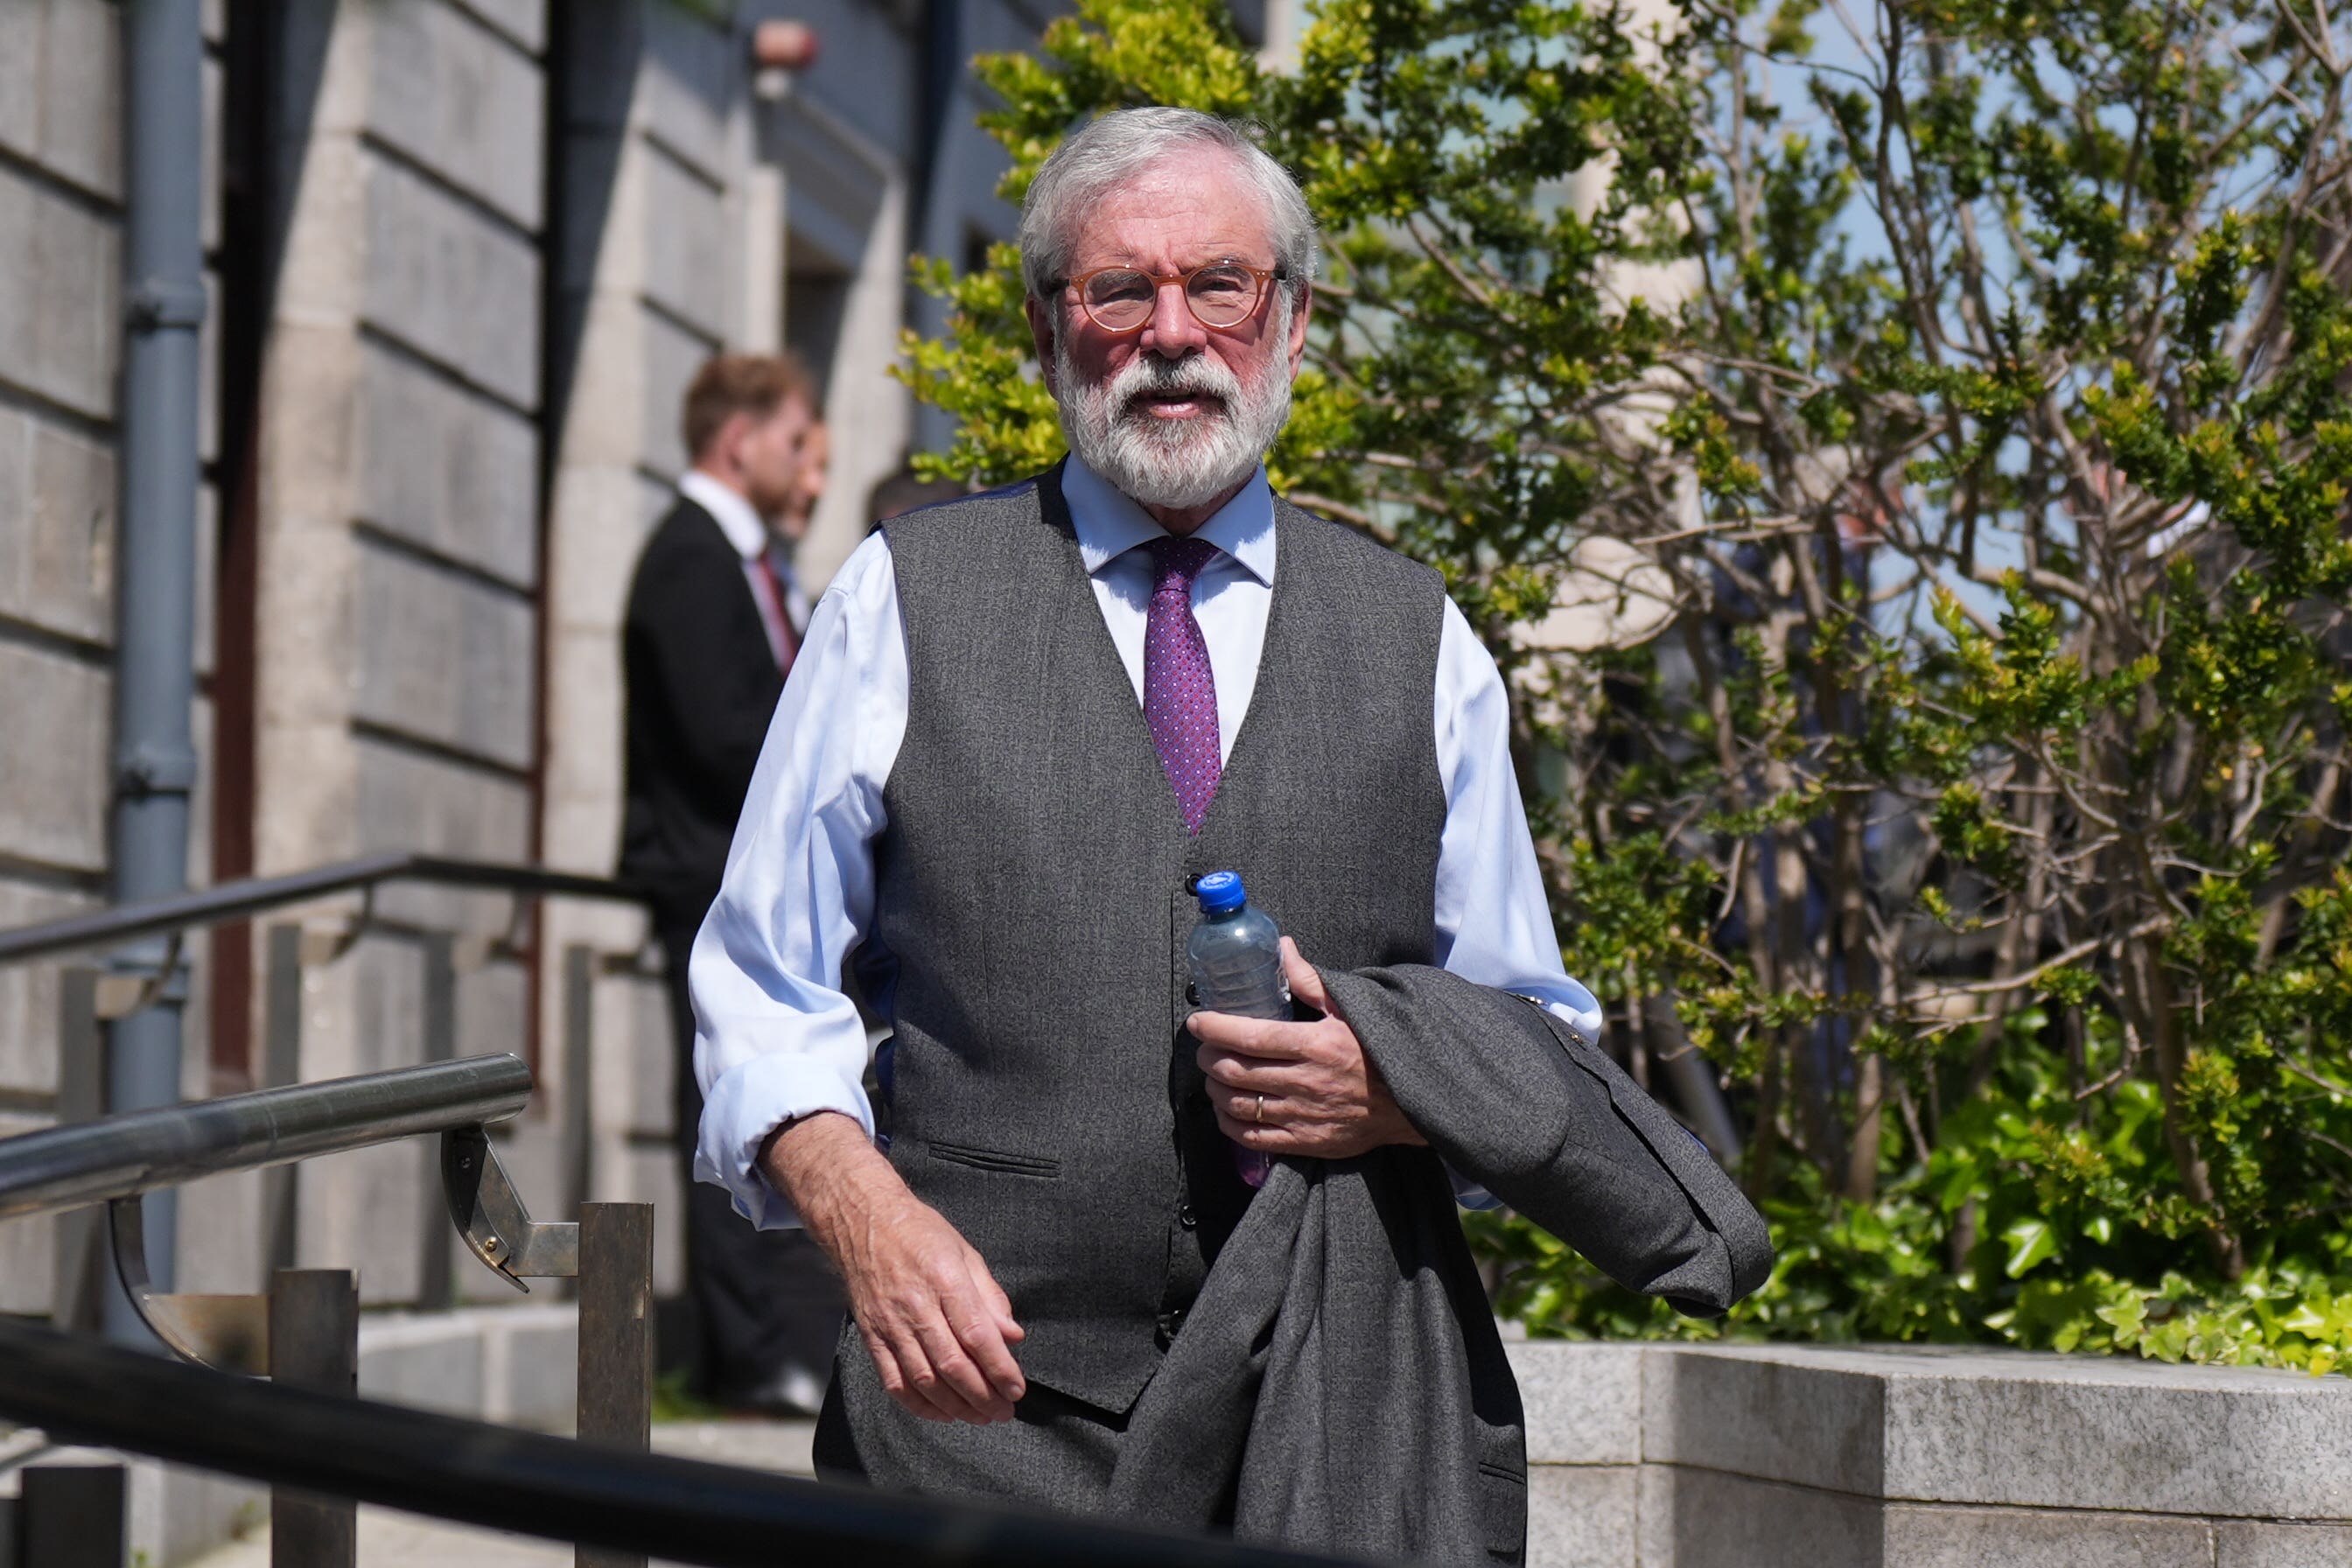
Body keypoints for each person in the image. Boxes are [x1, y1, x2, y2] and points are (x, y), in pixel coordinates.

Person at [688, 108, 1754, 1538]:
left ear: (1295, 321)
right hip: (974, 1425)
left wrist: (1398, 1090)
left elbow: (1532, 1036)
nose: (1169, 333)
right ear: (1043, 330)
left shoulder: (1419, 639)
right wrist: (862, 1219)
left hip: (1328, 1425)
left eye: (1219, 286)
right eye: (1116, 290)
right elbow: (759, 986)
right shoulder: (899, 601)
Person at [619, 352, 843, 1416]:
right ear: (737, 437)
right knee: (729, 1103)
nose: (812, 480)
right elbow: (725, 735)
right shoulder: (691, 559)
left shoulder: (752, 561)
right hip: (707, 879)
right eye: (800, 448)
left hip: (742, 884)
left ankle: (766, 1346)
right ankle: (747, 1356)